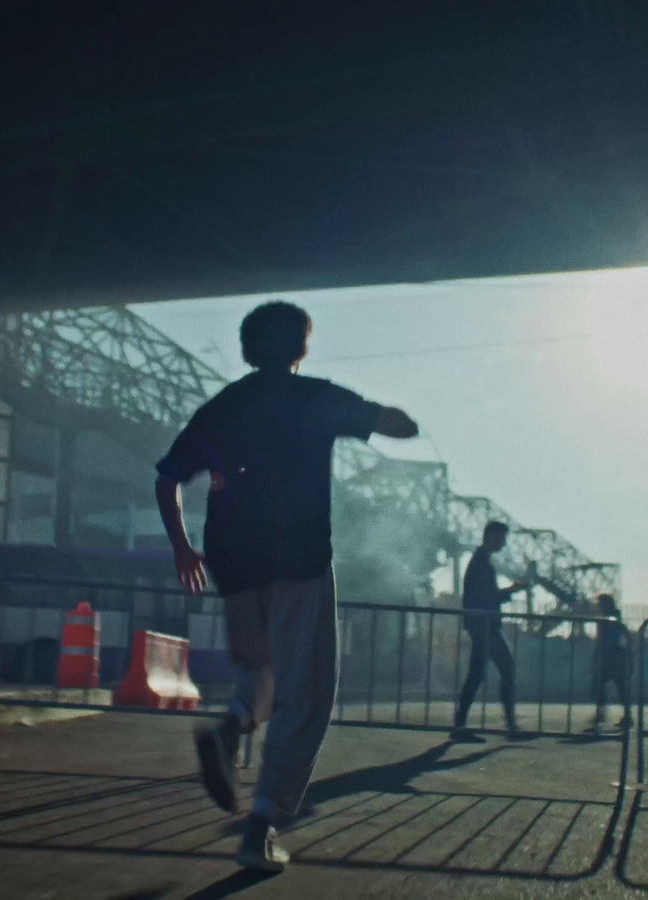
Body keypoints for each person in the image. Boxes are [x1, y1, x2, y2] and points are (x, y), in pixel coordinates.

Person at [153, 300, 419, 872]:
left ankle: (231, 727)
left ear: (248, 348)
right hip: (298, 559)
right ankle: (262, 825)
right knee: (308, 691)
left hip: (233, 560)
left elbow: (168, 477)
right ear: (301, 345)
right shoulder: (315, 398)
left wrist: (182, 546)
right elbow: (400, 426)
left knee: (262, 670)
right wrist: (383, 416)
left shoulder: (223, 406)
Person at [452, 521, 531, 737]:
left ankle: (461, 724)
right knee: (504, 670)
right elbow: (487, 596)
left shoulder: (480, 561)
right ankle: (509, 726)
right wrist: (512, 590)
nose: (504, 544)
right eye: (502, 539)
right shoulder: (482, 563)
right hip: (486, 626)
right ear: (492, 537)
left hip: (483, 626)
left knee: (478, 674)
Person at [591, 592, 631, 729]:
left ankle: (625, 716)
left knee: (619, 688)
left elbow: (613, 638)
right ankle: (601, 714)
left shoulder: (613, 619)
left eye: (600, 603)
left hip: (615, 657)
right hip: (608, 656)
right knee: (602, 686)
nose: (598, 606)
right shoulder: (606, 619)